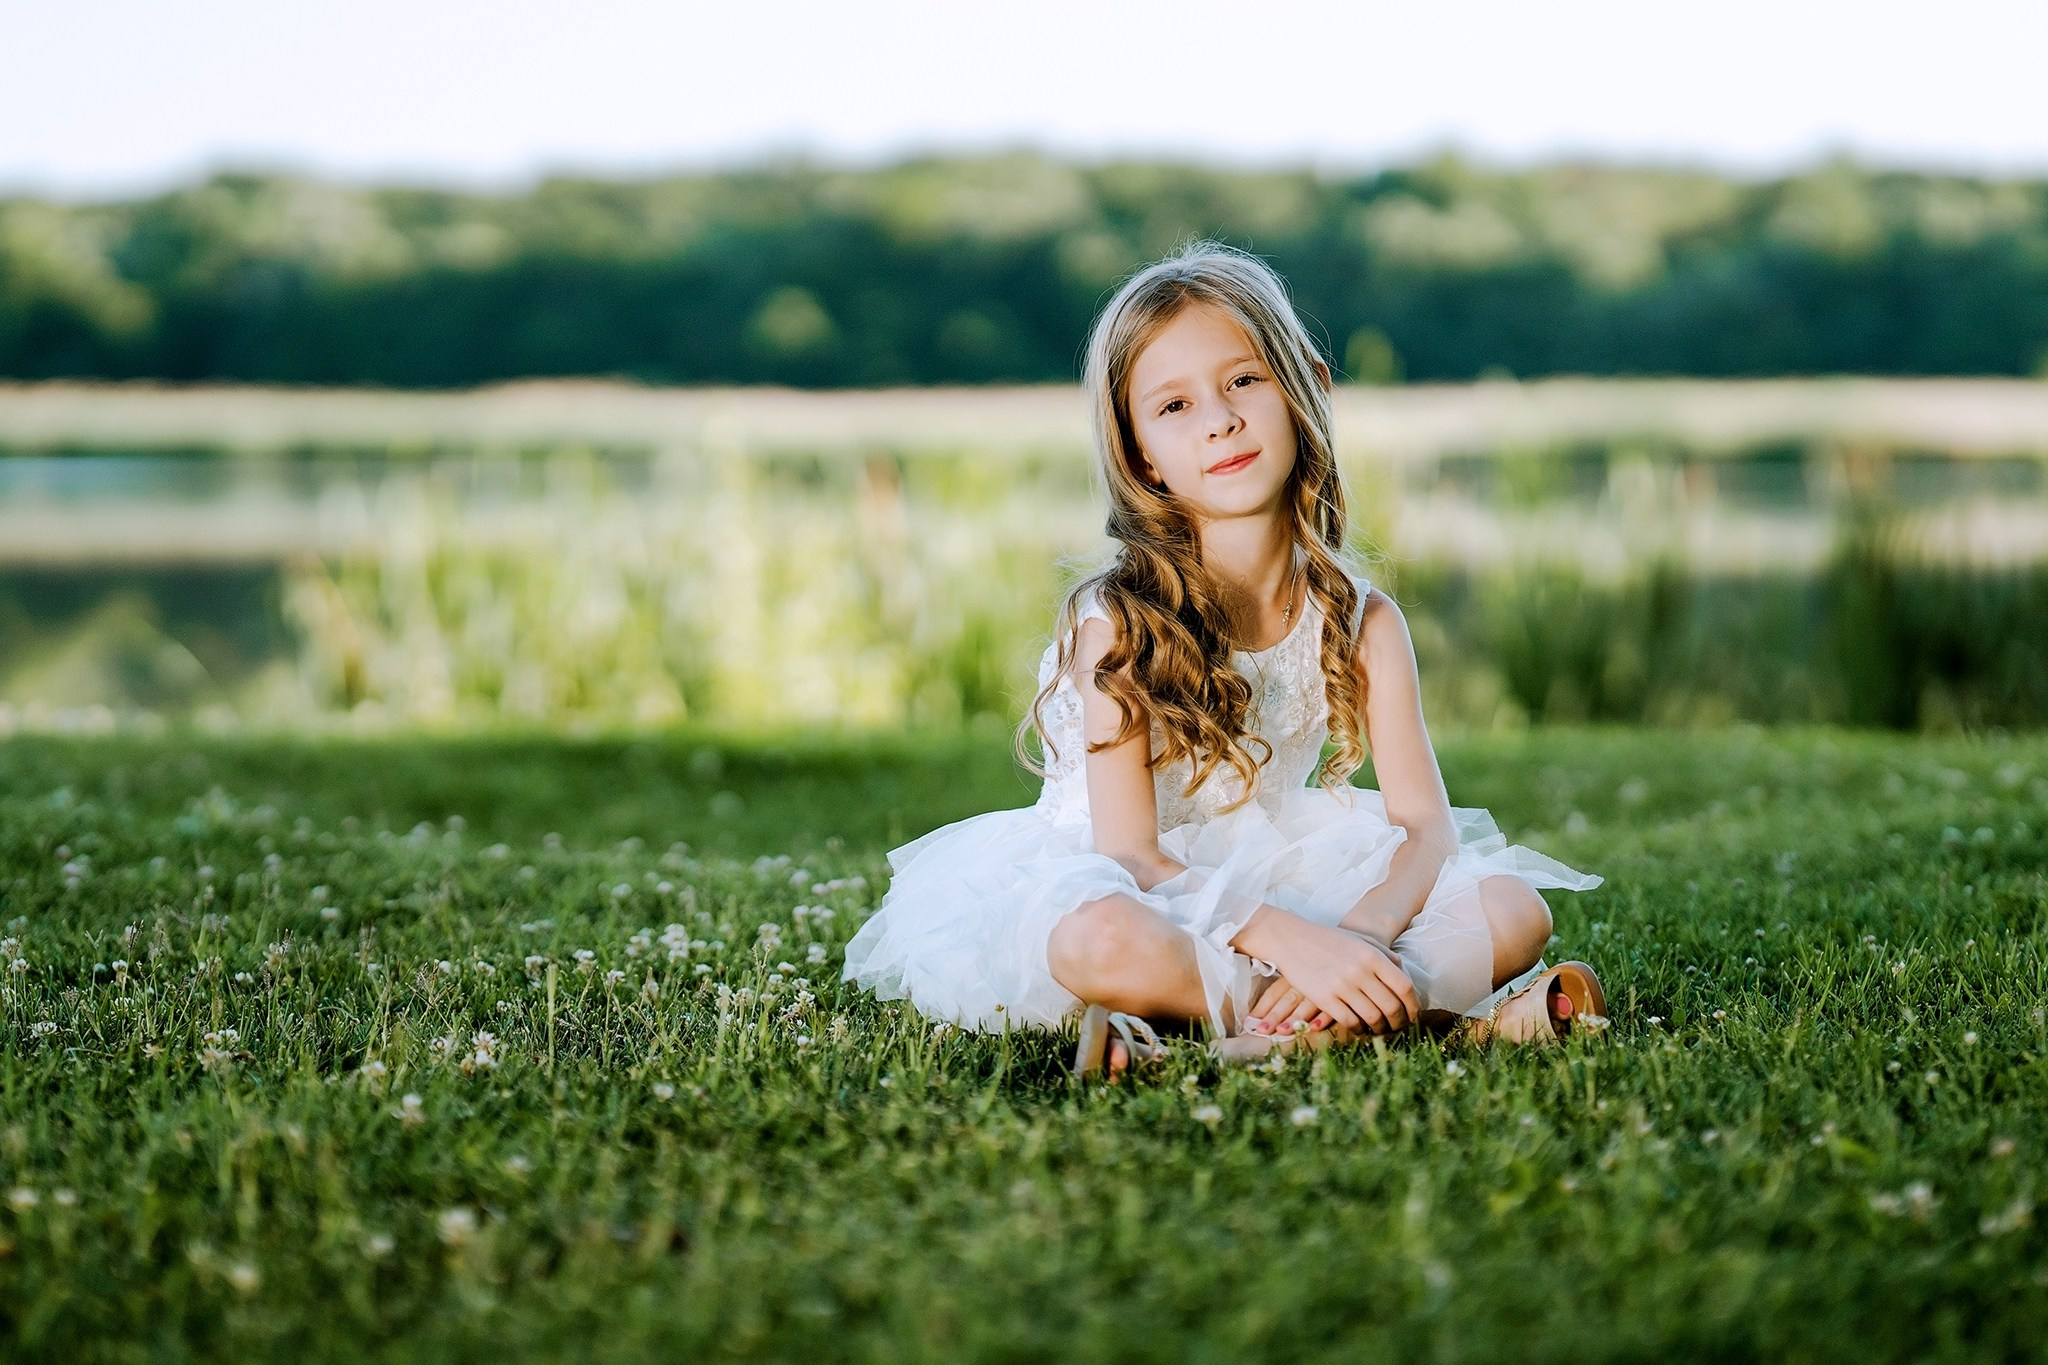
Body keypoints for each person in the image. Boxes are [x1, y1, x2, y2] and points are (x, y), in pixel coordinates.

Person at [843, 241, 1606, 1076]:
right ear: (1141, 457)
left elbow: (1424, 828)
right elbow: (1133, 853)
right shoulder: (1121, 623)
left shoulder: (1364, 622)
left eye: (1244, 380)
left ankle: (1251, 1038)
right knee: (1101, 942)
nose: (1220, 419)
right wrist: (1294, 945)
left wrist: (1355, 936)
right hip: (1139, 889)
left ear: (1307, 384)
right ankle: (1425, 1020)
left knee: (1514, 909)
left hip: (1285, 871)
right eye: (1174, 406)